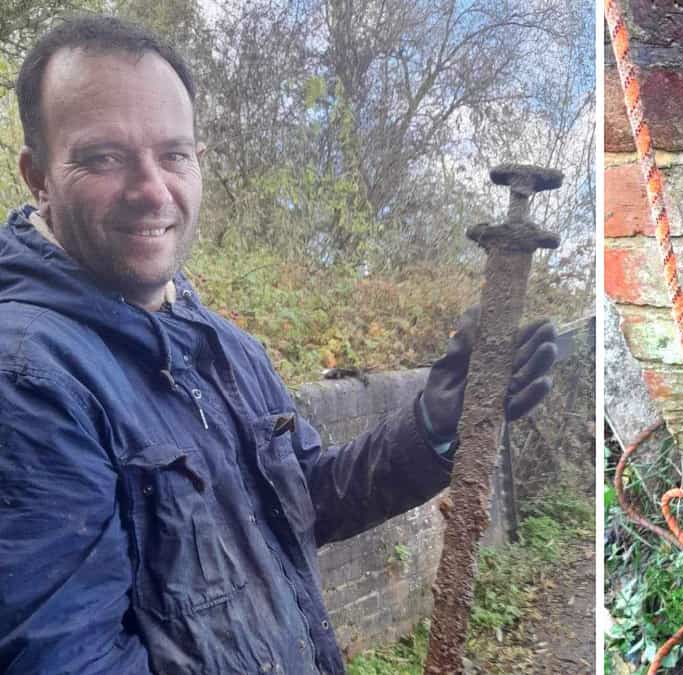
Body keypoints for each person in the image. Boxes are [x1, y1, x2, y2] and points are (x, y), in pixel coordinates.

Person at [0, 15, 557, 674]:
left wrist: (434, 428)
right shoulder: (30, 377)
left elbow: (307, 499)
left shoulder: (222, 344)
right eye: (103, 157)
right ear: (38, 175)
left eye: (173, 153)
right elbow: (66, 660)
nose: (152, 189)